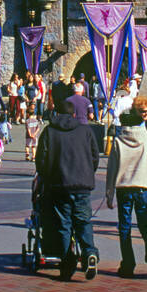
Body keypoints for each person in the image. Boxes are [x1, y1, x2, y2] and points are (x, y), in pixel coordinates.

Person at [35, 81, 101, 280]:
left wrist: (48, 177)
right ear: (74, 114)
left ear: (56, 112)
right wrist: (88, 172)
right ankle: (89, 252)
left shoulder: (49, 131)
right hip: (82, 185)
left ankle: (67, 260)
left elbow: (41, 160)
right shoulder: (85, 131)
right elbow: (95, 156)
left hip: (59, 185)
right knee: (83, 221)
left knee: (63, 224)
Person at [105, 97, 147, 278]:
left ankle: (128, 264)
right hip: (144, 188)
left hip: (124, 187)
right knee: (145, 225)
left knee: (124, 227)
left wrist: (109, 193)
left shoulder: (118, 140)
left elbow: (112, 168)